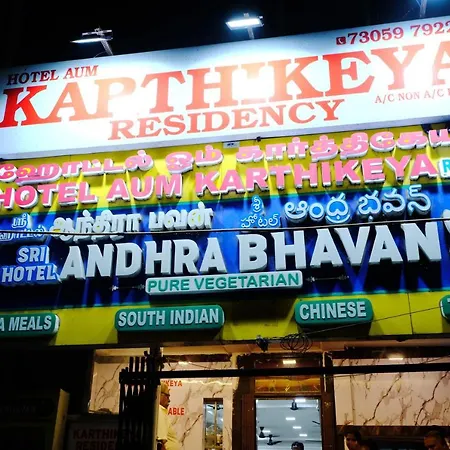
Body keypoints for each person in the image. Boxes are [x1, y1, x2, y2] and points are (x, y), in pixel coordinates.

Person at [157, 383, 181, 450]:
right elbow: (160, 443)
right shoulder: (159, 410)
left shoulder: (160, 411)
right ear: (159, 394)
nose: (169, 400)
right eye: (167, 396)